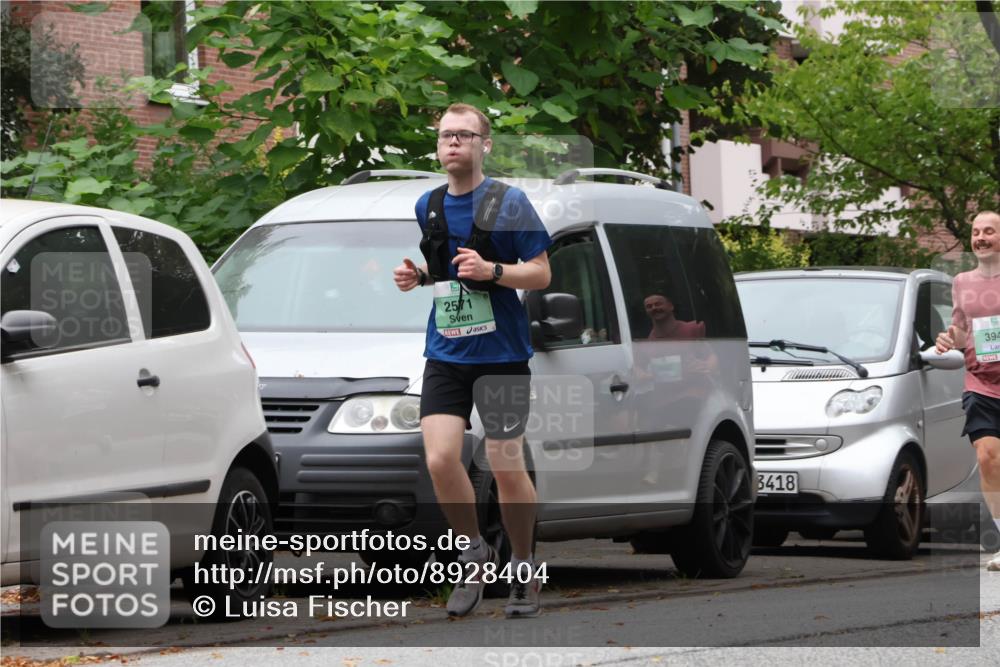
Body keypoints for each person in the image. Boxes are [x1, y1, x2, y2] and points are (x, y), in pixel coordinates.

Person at [393, 103, 552, 617]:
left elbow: (541, 274)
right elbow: (446, 274)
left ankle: (524, 569)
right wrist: (418, 276)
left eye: (464, 135)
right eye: (445, 136)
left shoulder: (509, 202)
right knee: (440, 457)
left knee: (506, 464)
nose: (453, 143)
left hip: (502, 356)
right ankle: (473, 551)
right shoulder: (428, 205)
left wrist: (494, 269)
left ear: (485, 144)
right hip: (446, 352)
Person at [935, 210, 1000, 572]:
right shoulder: (961, 281)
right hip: (981, 382)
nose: (980, 238)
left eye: (989, 231)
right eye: (976, 232)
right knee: (988, 457)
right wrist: (949, 339)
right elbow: (961, 328)